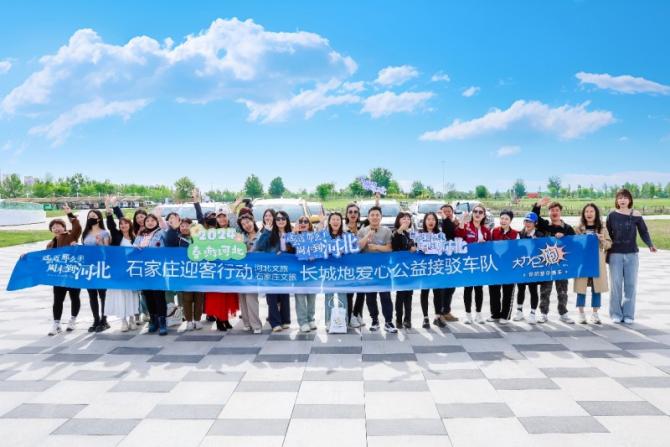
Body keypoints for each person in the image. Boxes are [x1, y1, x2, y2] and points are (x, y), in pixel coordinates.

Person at [606, 188, 656, 324]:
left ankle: (628, 314)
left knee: (631, 285)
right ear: (616, 200)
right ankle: (616, 314)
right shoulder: (611, 215)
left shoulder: (636, 214)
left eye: (625, 197)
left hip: (632, 254)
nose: (622, 200)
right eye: (620, 198)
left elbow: (644, 232)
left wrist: (650, 244)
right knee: (616, 285)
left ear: (630, 200)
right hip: (615, 254)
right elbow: (607, 234)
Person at [193, 189, 239, 331]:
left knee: (228, 295)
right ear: (216, 219)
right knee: (217, 295)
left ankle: (225, 319)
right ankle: (219, 320)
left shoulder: (233, 231)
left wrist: (234, 208)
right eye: (219, 217)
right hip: (215, 269)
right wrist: (196, 203)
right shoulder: (211, 233)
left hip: (229, 268)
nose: (222, 219)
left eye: (224, 216)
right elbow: (200, 221)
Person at [532, 197, 576, 324]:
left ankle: (563, 313)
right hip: (546, 264)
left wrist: (565, 237)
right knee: (545, 290)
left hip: (562, 265)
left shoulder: (568, 228)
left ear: (560, 212)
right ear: (549, 213)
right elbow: (534, 217)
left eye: (557, 210)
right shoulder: (545, 226)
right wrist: (538, 205)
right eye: (552, 210)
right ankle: (543, 313)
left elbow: (574, 244)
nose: (554, 212)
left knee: (562, 291)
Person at [358, 206, 397, 333]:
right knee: (370, 296)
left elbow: (389, 248)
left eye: (377, 215)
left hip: (383, 269)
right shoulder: (362, 231)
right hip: (368, 269)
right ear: (368, 217)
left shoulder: (386, 231)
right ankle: (374, 320)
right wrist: (367, 236)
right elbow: (358, 247)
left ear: (381, 217)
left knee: (385, 296)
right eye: (372, 215)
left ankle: (388, 322)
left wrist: (376, 247)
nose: (375, 217)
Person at [104, 196, 140, 332]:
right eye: (121, 224)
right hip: (118, 271)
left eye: (125, 224)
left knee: (132, 295)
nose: (123, 226)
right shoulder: (117, 235)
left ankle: (132, 319)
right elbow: (111, 224)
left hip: (132, 271)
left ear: (130, 225)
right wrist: (109, 207)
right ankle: (123, 321)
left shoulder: (135, 237)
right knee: (120, 295)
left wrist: (116, 206)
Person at [165, 213, 205, 332]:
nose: (184, 228)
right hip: (185, 273)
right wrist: (173, 229)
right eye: (182, 226)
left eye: (187, 225)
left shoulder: (198, 238)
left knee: (199, 298)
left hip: (198, 272)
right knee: (187, 298)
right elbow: (168, 243)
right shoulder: (176, 238)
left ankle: (197, 320)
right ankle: (189, 321)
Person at [46, 203, 82, 336]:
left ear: (64, 227)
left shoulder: (71, 236)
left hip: (72, 273)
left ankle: (73, 320)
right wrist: (26, 256)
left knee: (75, 297)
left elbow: (77, 227)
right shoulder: (50, 244)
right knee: (57, 300)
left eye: (58, 226)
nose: (56, 229)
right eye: (53, 227)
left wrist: (69, 214)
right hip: (58, 276)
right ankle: (56, 323)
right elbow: (44, 258)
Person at [574, 203, 612, 324]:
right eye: (586, 211)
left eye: (591, 211)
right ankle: (581, 314)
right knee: (581, 288)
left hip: (597, 262)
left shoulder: (602, 228)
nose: (589, 214)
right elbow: (573, 244)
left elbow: (608, 245)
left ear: (596, 213)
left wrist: (602, 239)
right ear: (583, 214)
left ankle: (595, 314)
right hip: (583, 263)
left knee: (597, 288)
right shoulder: (578, 229)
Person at [255, 210, 292, 332]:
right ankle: (275, 322)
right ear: (275, 221)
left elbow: (296, 250)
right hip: (271, 270)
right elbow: (259, 246)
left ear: (287, 220)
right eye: (278, 219)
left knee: (284, 294)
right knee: (272, 296)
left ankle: (285, 320)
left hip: (286, 269)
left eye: (283, 219)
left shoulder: (291, 234)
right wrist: (266, 231)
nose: (281, 221)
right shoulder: (270, 233)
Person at [133, 213, 169, 335]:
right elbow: (133, 250)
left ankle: (162, 322)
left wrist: (160, 218)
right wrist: (136, 249)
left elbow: (167, 230)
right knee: (148, 296)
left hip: (157, 269)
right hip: (144, 269)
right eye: (147, 221)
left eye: (152, 220)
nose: (150, 222)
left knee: (159, 296)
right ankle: (154, 321)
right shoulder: (140, 235)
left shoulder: (161, 232)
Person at [455, 204, 491, 324]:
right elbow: (458, 236)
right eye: (475, 211)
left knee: (479, 289)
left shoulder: (486, 230)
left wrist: (484, 244)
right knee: (468, 289)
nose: (477, 214)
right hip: (468, 263)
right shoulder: (466, 226)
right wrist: (462, 221)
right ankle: (468, 315)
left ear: (484, 215)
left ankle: (479, 314)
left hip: (480, 263)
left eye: (480, 212)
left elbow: (490, 247)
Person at [81, 208, 111, 332]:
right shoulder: (86, 233)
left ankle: (104, 320)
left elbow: (107, 251)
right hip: (88, 267)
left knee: (102, 295)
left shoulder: (104, 233)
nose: (91, 218)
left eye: (93, 216)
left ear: (99, 218)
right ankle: (96, 320)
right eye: (89, 216)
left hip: (101, 267)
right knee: (92, 295)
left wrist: (100, 244)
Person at [513, 212, 544, 324]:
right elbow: (515, 249)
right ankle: (519, 311)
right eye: (526, 221)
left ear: (535, 223)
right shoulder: (519, 234)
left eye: (530, 221)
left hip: (533, 267)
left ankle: (532, 313)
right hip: (522, 266)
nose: (528, 223)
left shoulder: (540, 235)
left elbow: (543, 251)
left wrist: (537, 243)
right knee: (520, 289)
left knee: (533, 290)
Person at [488, 210, 518, 324]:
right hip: (495, 267)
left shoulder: (515, 234)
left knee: (508, 292)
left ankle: (505, 316)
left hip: (509, 269)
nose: (503, 221)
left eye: (506, 219)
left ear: (510, 221)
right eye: (502, 218)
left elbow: (518, 251)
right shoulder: (494, 231)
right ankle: (495, 314)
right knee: (494, 291)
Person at [418, 212, 446, 329]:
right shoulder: (419, 234)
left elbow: (445, 249)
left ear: (436, 222)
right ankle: (425, 318)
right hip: (424, 268)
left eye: (433, 219)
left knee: (438, 293)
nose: (431, 221)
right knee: (425, 292)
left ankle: (437, 317)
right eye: (428, 219)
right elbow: (414, 248)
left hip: (437, 268)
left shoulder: (440, 235)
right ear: (425, 221)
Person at [291, 215, 319, 332]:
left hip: (312, 271)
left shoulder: (315, 237)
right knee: (300, 298)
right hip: (298, 272)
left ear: (309, 224)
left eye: (305, 221)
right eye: (300, 221)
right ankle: (303, 321)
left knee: (312, 297)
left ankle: (311, 319)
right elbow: (288, 249)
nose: (303, 223)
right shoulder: (293, 236)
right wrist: (294, 233)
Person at [238, 211, 263, 334]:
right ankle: (246, 323)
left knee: (251, 297)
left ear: (253, 221)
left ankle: (256, 325)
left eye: (248, 222)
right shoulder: (240, 237)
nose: (246, 225)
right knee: (242, 297)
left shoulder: (261, 236)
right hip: (241, 271)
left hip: (254, 271)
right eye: (243, 224)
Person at [391, 211, 416, 329]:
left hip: (410, 269)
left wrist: (414, 248)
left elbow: (413, 247)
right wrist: (400, 229)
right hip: (399, 269)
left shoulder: (410, 234)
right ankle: (398, 319)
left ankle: (408, 319)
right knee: (400, 295)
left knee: (409, 295)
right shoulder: (395, 232)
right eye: (403, 218)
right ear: (398, 220)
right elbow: (395, 245)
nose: (406, 221)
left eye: (408, 219)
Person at [345, 202, 366, 328]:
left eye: (355, 212)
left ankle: (357, 314)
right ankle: (350, 316)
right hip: (347, 264)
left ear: (358, 214)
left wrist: (377, 200)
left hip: (361, 264)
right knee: (349, 292)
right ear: (347, 214)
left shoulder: (363, 226)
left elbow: (376, 214)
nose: (353, 214)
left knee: (361, 291)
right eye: (350, 212)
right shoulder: (342, 228)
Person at [438, 204, 459, 322]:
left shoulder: (455, 223)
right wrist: (446, 220)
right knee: (442, 288)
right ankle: (440, 312)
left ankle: (447, 311)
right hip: (441, 261)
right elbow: (447, 233)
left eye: (449, 211)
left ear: (452, 212)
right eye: (444, 211)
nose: (447, 213)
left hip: (454, 260)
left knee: (451, 287)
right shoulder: (439, 224)